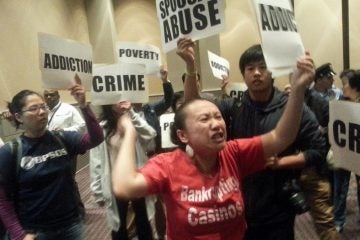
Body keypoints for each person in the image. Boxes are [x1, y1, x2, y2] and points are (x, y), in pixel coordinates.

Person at [111, 50, 315, 240]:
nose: (216, 123)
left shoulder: (233, 153)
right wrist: (129, 134)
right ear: (183, 135)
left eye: (218, 117)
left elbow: (281, 137)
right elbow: (124, 186)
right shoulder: (167, 165)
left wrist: (297, 90)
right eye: (205, 119)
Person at [177, 38, 330, 239]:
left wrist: (282, 162)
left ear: (273, 72)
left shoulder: (292, 107)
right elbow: (192, 110)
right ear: (244, 74)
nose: (256, 73)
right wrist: (190, 67)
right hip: (236, 203)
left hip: (277, 205)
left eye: (262, 67)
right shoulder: (234, 107)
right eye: (250, 68)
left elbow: (319, 151)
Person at [0, 78, 104, 240]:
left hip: (71, 225)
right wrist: (19, 235)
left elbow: (95, 139)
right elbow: (2, 199)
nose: (41, 112)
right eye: (34, 109)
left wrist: (84, 105)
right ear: (19, 117)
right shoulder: (11, 152)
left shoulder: (62, 138)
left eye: (43, 107)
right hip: (36, 231)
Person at [90, 101, 156, 240]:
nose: (120, 102)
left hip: (137, 178)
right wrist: (97, 190)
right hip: (115, 183)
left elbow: (150, 134)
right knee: (118, 226)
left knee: (143, 222)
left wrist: (131, 113)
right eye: (115, 100)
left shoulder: (134, 120)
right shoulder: (102, 128)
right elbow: (96, 160)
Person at [333, 69, 360, 233]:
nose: (342, 87)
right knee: (340, 187)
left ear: (355, 86)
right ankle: (339, 220)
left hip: (358, 151)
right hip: (344, 149)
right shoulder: (340, 102)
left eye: (345, 84)